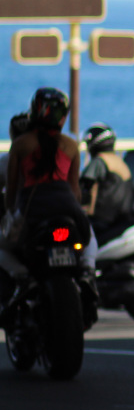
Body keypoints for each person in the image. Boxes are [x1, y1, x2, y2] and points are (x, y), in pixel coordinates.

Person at [3, 89, 96, 324]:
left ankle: (23, 278)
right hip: (67, 208)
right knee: (89, 238)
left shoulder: (22, 144)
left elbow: (12, 191)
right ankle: (87, 272)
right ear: (63, 117)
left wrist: (9, 215)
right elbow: (74, 191)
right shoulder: (71, 146)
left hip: (32, 210)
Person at [79, 123, 133, 241]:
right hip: (120, 221)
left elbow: (83, 185)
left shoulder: (99, 162)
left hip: (100, 220)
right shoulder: (121, 163)